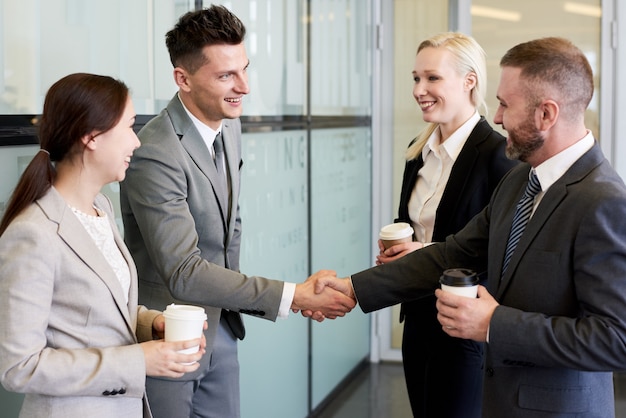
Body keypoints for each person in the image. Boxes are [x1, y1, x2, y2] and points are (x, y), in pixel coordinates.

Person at [313, 37, 626, 417]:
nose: (495, 117)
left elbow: (616, 339)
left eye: (505, 105)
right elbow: (450, 254)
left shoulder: (604, 201)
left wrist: (495, 324)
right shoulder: (520, 183)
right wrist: (351, 288)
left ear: (546, 114)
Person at [119, 5, 354, 418]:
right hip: (169, 338)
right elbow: (183, 271)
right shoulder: (155, 151)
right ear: (183, 79)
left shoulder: (229, 125)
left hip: (223, 329)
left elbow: (231, 227)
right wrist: (293, 295)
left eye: (244, 69)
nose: (243, 86)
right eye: (226, 75)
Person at [0, 73, 206, 418]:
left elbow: (92, 308)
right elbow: (18, 367)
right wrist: (137, 360)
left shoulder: (101, 209)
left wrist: (150, 324)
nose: (136, 142)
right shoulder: (34, 234)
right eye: (128, 127)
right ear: (91, 137)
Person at [377, 32, 518, 418]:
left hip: (464, 328)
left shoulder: (499, 156)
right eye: (416, 78)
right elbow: (414, 225)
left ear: (469, 80)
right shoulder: (417, 152)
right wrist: (397, 249)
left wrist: (419, 253)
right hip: (418, 318)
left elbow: (502, 254)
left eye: (432, 78)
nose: (419, 89)